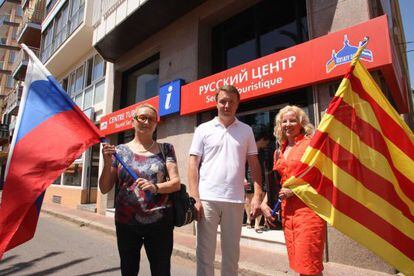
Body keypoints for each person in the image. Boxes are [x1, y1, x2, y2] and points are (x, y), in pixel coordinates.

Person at [188, 85, 263, 276]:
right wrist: (195, 197)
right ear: (216, 103)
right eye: (223, 101)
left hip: (235, 200)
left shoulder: (246, 130)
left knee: (231, 257)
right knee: (204, 255)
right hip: (207, 200)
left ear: (238, 104)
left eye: (231, 101)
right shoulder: (203, 129)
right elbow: (193, 164)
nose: (226, 105)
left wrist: (257, 196)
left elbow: (254, 164)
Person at [99, 104, 180, 276]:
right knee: (128, 271)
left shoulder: (166, 149)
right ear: (133, 121)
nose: (146, 121)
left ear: (156, 124)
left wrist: (155, 187)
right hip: (126, 223)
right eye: (142, 117)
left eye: (151, 119)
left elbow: (176, 183)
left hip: (160, 223)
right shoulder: (119, 151)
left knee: (161, 271)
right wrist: (107, 164)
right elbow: (105, 188)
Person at [261, 105, 326, 276]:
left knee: (309, 266)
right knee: (300, 264)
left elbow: (323, 178)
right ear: (279, 125)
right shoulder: (279, 151)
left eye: (293, 120)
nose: (288, 124)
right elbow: (278, 183)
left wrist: (295, 191)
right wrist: (264, 202)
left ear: (301, 123)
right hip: (288, 214)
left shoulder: (311, 145)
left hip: (309, 211)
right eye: (284, 121)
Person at [244, 124, 270, 233]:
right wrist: (243, 178)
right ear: (262, 139)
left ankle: (253, 222)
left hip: (255, 177)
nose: (266, 144)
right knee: (251, 199)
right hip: (254, 177)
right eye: (266, 141)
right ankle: (253, 223)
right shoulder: (250, 149)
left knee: (251, 199)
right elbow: (242, 165)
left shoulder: (256, 149)